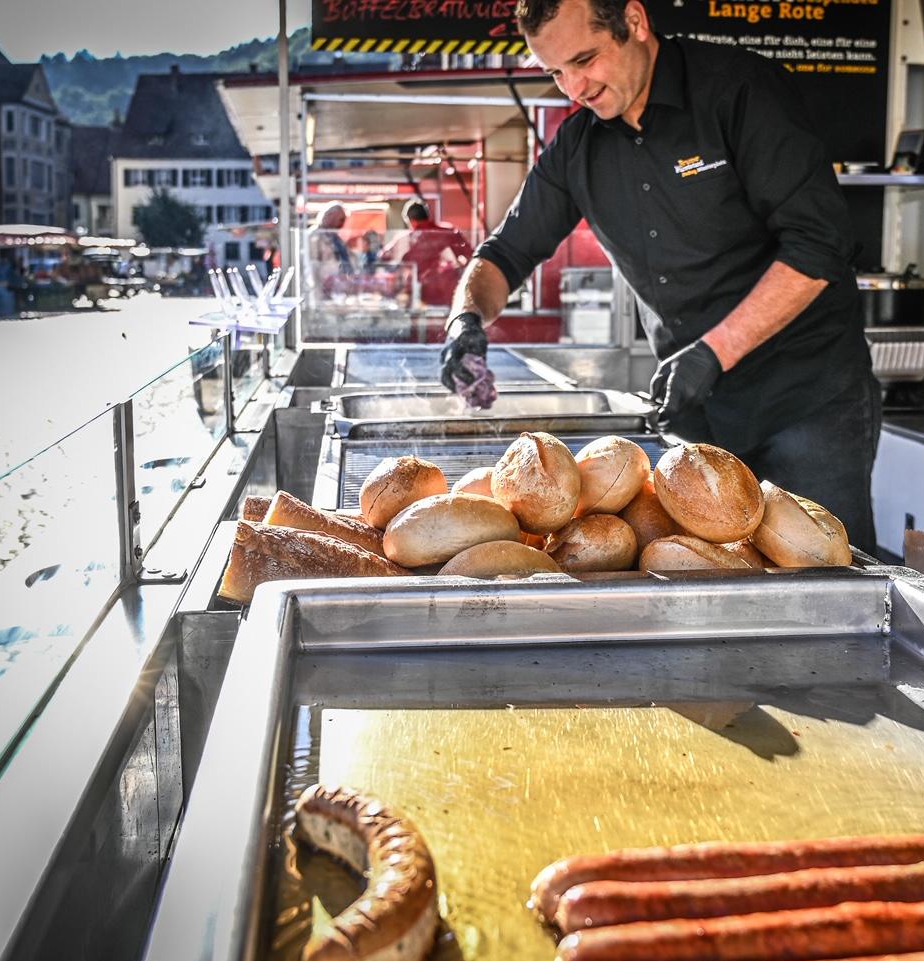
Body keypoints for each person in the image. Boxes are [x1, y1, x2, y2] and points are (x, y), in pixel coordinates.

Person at [440, 0, 879, 551]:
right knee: (706, 579)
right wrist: (465, 320)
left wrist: (713, 352)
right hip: (696, 418)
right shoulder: (578, 147)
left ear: (634, 22)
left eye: (585, 60)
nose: (574, 87)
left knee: (829, 569)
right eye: (555, 73)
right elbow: (505, 252)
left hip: (806, 403)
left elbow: (819, 245)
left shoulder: (738, 91)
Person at [381, 199, 474, 306]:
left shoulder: (406, 239)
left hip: (419, 295)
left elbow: (384, 257)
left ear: (411, 221)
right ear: (428, 216)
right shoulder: (448, 232)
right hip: (449, 294)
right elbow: (470, 255)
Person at [308, 201, 354, 299]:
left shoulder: (337, 239)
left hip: (338, 291)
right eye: (341, 220)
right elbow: (312, 268)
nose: (342, 224)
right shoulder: (313, 237)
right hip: (321, 292)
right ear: (330, 216)